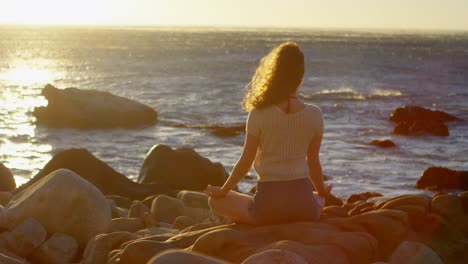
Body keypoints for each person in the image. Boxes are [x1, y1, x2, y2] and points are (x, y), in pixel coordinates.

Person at [205, 42, 331, 225]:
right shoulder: (315, 114)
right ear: (300, 76)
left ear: (273, 73)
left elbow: (246, 160)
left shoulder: (259, 113)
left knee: (214, 201)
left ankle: (259, 216)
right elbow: (313, 162)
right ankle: (316, 201)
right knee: (317, 198)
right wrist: (321, 192)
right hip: (305, 210)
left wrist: (223, 191)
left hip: (267, 210)